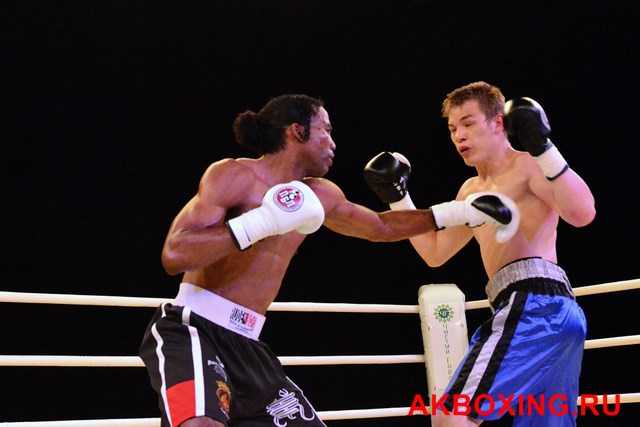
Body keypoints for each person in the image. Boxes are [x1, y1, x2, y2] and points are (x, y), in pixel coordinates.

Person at [139, 94, 520, 427]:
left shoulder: (318, 195)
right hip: (193, 329)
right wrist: (260, 223)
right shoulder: (233, 175)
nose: (333, 143)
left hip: (250, 345)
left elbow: (381, 228)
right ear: (297, 131)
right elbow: (175, 254)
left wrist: (459, 212)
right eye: (326, 130)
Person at [365, 81, 596, 426]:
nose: (459, 135)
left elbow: (583, 213)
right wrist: (399, 197)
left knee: (452, 414)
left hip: (534, 305)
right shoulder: (471, 190)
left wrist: (543, 146)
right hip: (549, 313)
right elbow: (435, 253)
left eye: (469, 123)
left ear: (498, 123)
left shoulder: (528, 166)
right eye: (453, 128)